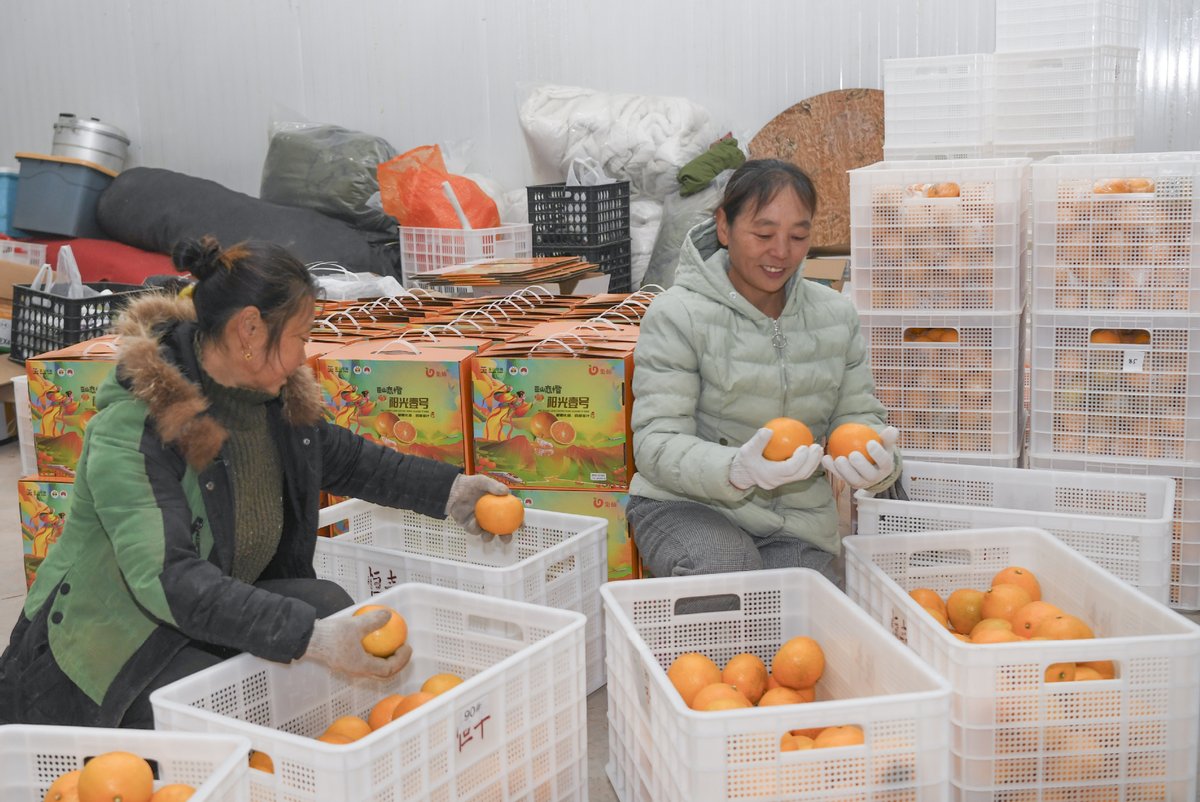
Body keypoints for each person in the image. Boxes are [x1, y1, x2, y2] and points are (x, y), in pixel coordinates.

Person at [0, 236, 509, 729]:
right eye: (301, 337)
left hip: (206, 608)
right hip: (109, 646)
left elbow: (353, 461)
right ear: (250, 330)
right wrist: (308, 638)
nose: (304, 355)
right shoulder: (137, 430)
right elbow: (168, 580)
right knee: (219, 703)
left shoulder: (269, 402)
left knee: (327, 606)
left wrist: (453, 493)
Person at [627, 159, 901, 583]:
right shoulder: (677, 314)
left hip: (795, 517)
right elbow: (655, 443)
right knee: (725, 573)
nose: (781, 252)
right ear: (724, 227)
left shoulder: (835, 315)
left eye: (798, 236)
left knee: (798, 608)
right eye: (763, 233)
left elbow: (857, 416)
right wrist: (735, 468)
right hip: (686, 504)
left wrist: (881, 463)